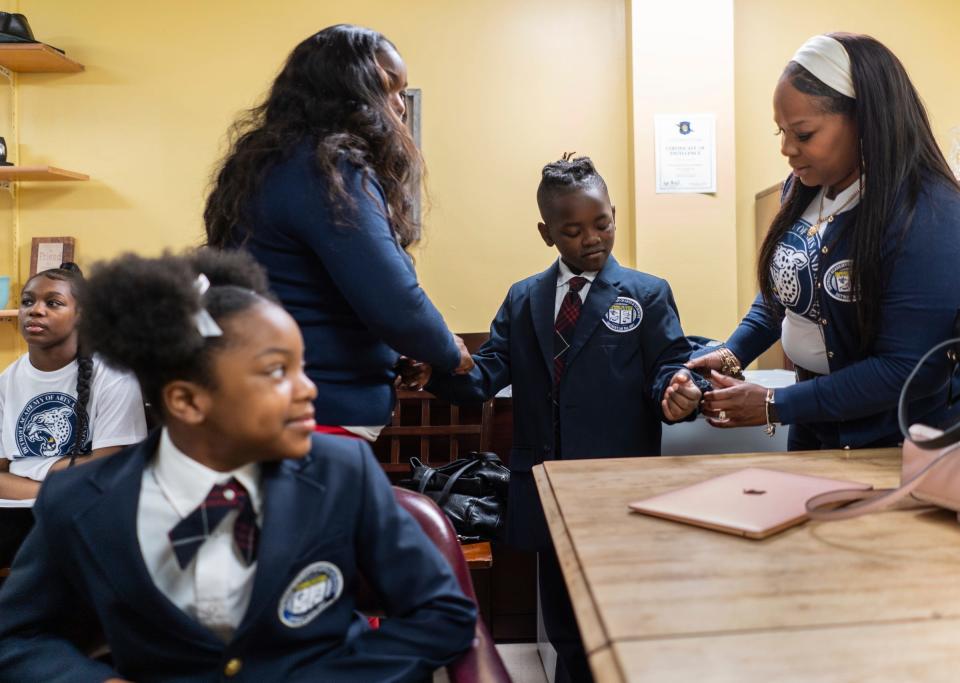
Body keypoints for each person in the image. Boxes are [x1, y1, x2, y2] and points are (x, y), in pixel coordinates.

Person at [0, 249, 476, 682]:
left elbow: (442, 614)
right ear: (187, 401)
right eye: (276, 372)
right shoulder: (81, 503)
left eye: (302, 368)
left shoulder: (341, 472)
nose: (308, 389)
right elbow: (17, 638)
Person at [410, 155, 708, 683]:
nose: (592, 239)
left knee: (623, 618)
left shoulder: (647, 293)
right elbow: (483, 378)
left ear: (614, 214)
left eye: (602, 224)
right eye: (572, 231)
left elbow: (667, 368)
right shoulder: (525, 299)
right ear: (547, 233)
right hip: (547, 487)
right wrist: (431, 370)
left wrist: (679, 392)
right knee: (567, 627)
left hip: (622, 487)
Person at [688, 33, 960, 450]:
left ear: (864, 119)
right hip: (816, 428)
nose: (787, 149)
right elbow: (782, 291)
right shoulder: (803, 189)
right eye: (780, 131)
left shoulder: (928, 212)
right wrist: (731, 353)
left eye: (803, 133)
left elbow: (907, 367)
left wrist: (775, 404)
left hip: (892, 444)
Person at [204, 24, 472, 442]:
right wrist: (447, 350)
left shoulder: (271, 164)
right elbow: (393, 298)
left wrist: (397, 350)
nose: (400, 107)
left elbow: (323, 294)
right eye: (392, 89)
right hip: (313, 416)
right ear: (353, 91)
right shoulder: (328, 170)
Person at [0, 263, 146, 569]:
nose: (35, 311)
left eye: (53, 303)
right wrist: (49, 488)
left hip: (85, 510)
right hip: (15, 509)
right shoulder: (6, 381)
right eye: (28, 301)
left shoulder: (114, 376)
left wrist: (31, 476)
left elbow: (110, 469)